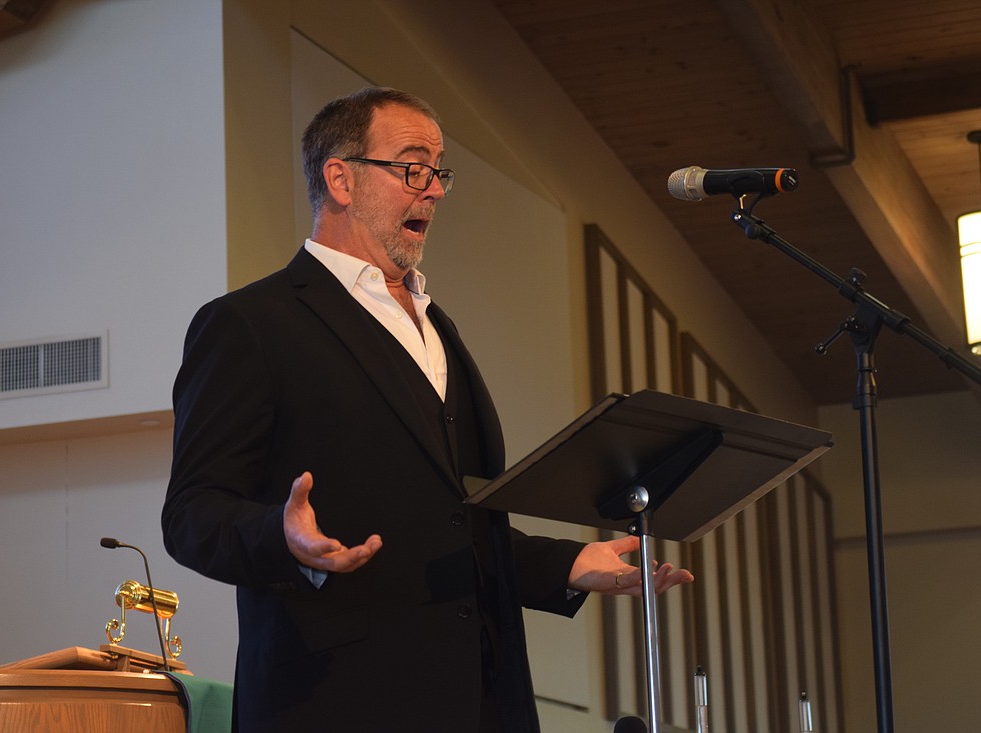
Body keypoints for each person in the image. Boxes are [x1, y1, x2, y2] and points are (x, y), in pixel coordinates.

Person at [162, 86, 693, 732]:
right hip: (338, 704)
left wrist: (568, 565)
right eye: (413, 168)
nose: (435, 190)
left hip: (482, 702)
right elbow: (191, 513)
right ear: (341, 179)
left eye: (439, 172)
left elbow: (450, 522)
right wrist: (281, 534)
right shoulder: (251, 323)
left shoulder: (440, 329)